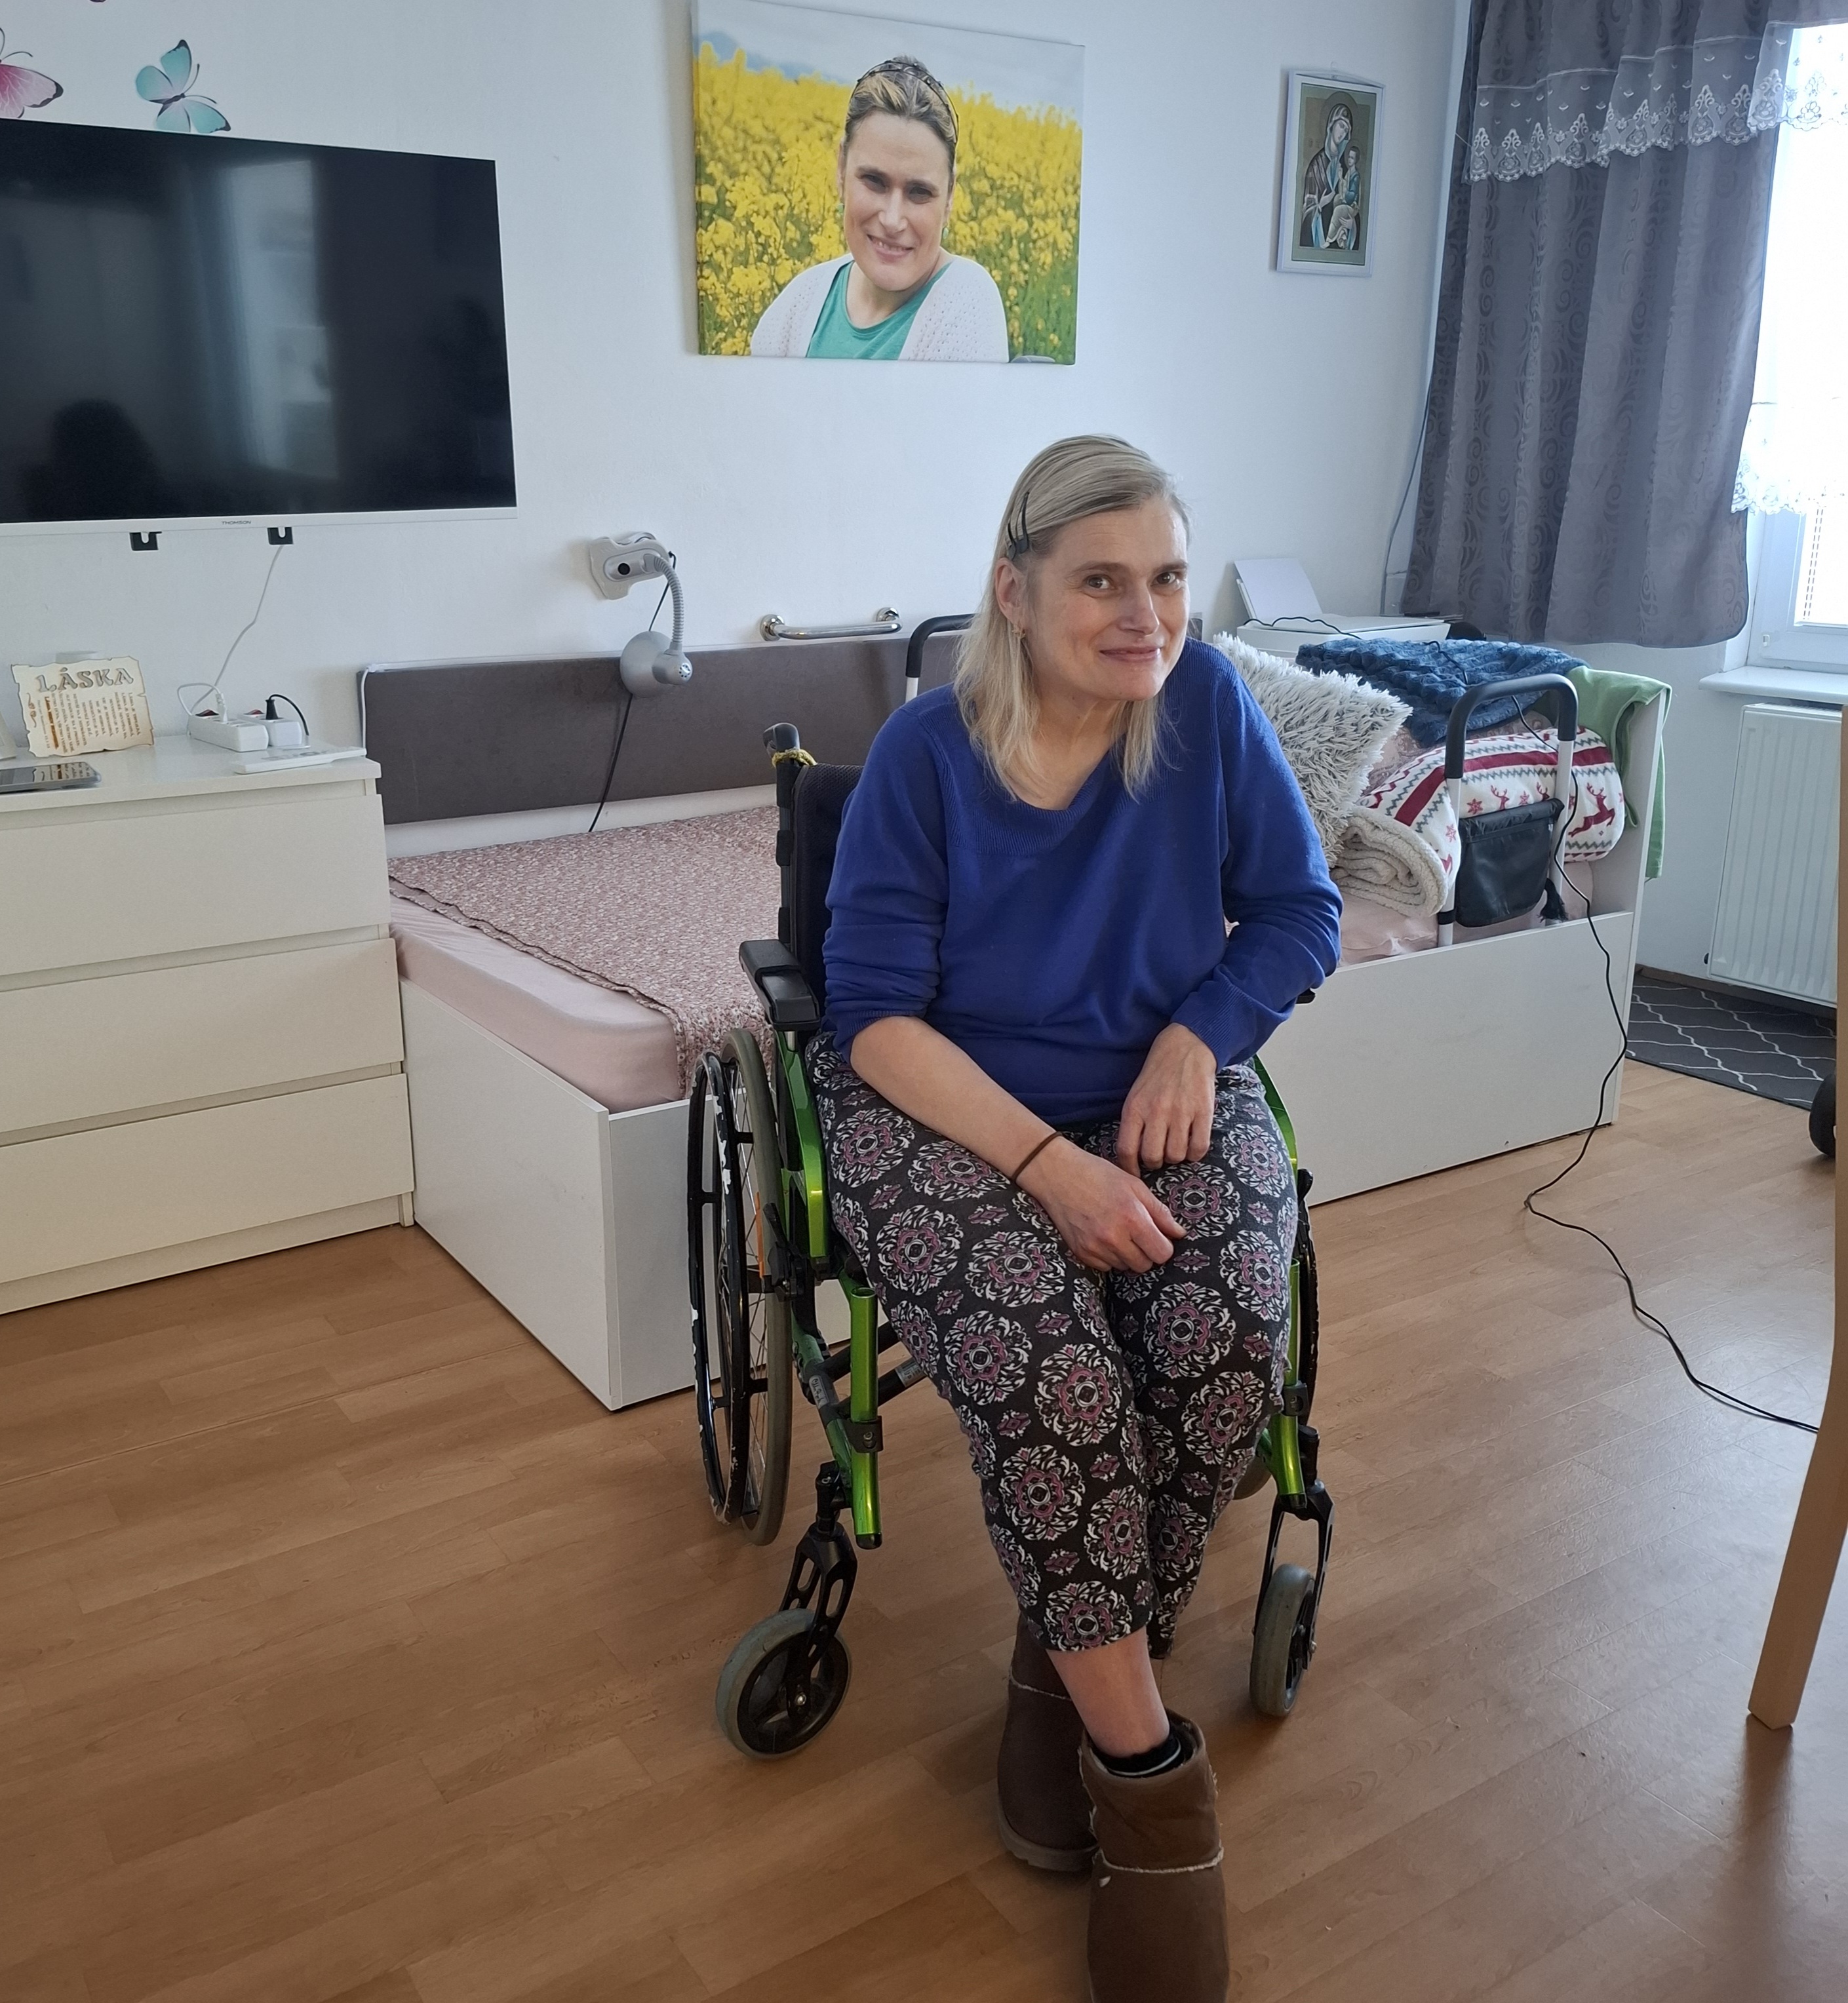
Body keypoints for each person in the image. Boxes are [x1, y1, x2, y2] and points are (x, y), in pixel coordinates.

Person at [810, 436, 1342, 2001]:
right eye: (1100, 580)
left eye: (1165, 577)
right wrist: (1048, 1163)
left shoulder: (1206, 710)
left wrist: (1196, 1035)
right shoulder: (925, 754)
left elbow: (1298, 911)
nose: (1144, 614)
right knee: (1053, 1379)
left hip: (1155, 1080)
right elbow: (871, 1017)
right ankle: (1153, 1787)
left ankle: (1062, 1663)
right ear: (1013, 589)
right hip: (945, 1104)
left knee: (1228, 1336)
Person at [749, 54, 1009, 362]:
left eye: (919, 192)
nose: (892, 220)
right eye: (874, 181)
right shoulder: (799, 303)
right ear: (841, 169)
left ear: (950, 195)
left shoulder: (966, 302)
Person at [1300, 99, 1356, 250]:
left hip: (1337, 243)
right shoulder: (1316, 165)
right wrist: (1321, 204)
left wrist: (1352, 224)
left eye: (1346, 130)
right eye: (1341, 126)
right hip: (1319, 238)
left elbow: (1352, 206)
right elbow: (1305, 212)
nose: (1342, 133)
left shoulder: (1345, 168)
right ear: (1332, 124)